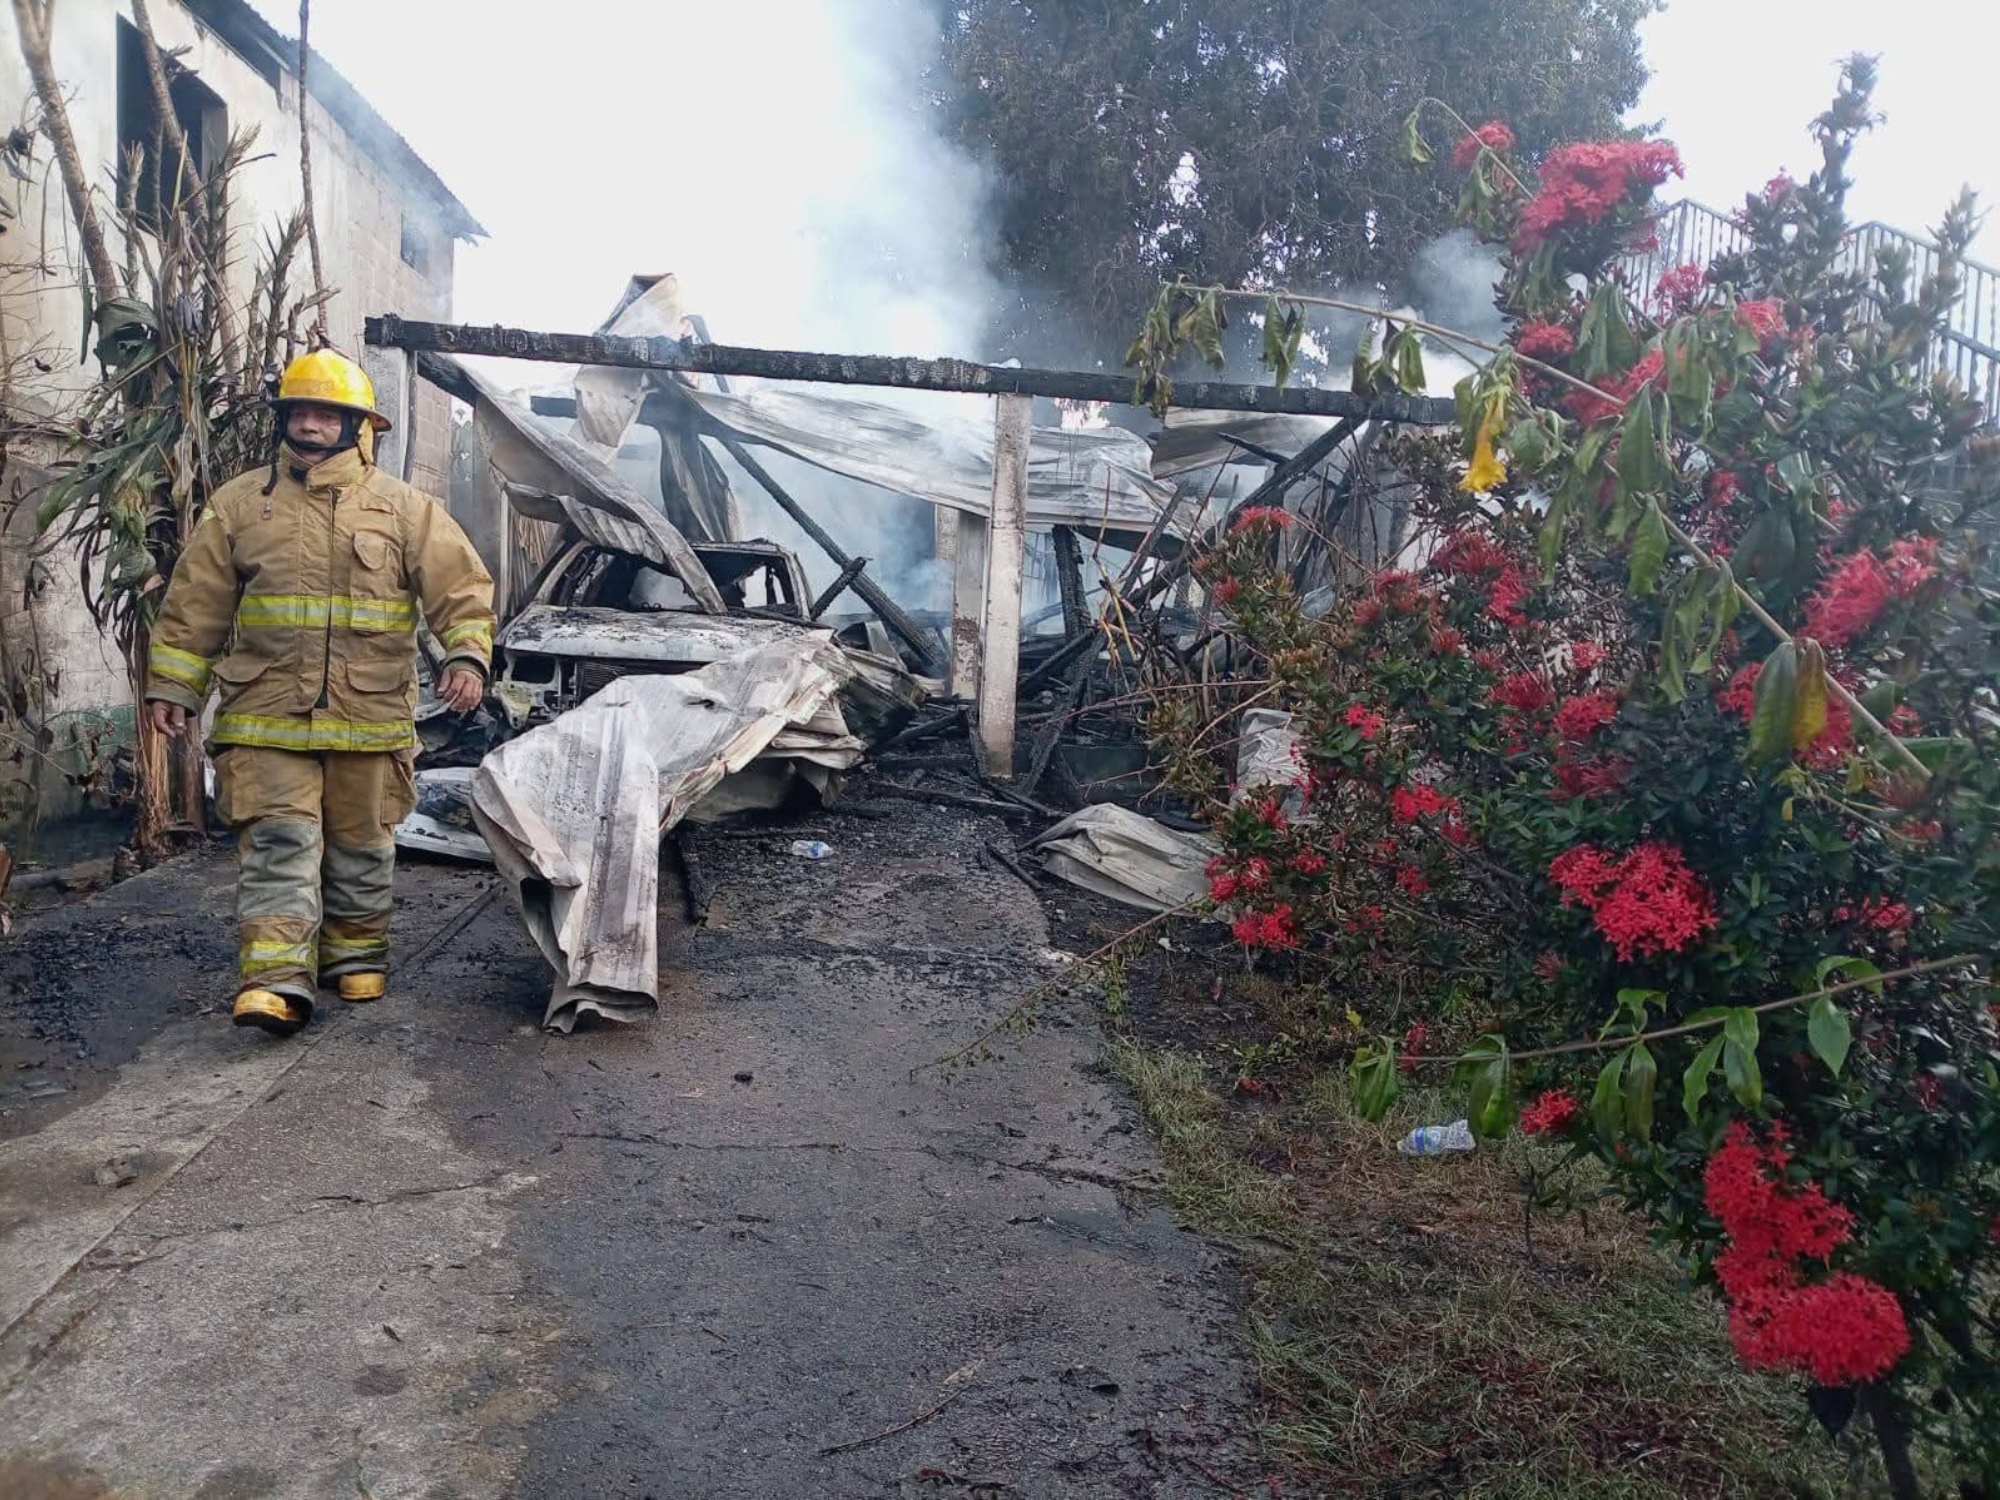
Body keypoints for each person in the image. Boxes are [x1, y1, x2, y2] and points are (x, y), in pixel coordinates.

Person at [143, 349, 495, 1036]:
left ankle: (354, 957)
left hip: (368, 717)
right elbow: (195, 603)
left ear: (357, 428)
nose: (309, 426)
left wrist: (466, 656)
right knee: (280, 841)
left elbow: (461, 590)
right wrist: (175, 685)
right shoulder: (240, 506)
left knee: (362, 845)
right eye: (299, 413)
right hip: (266, 716)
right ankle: (275, 980)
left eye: (326, 415)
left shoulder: (404, 510)